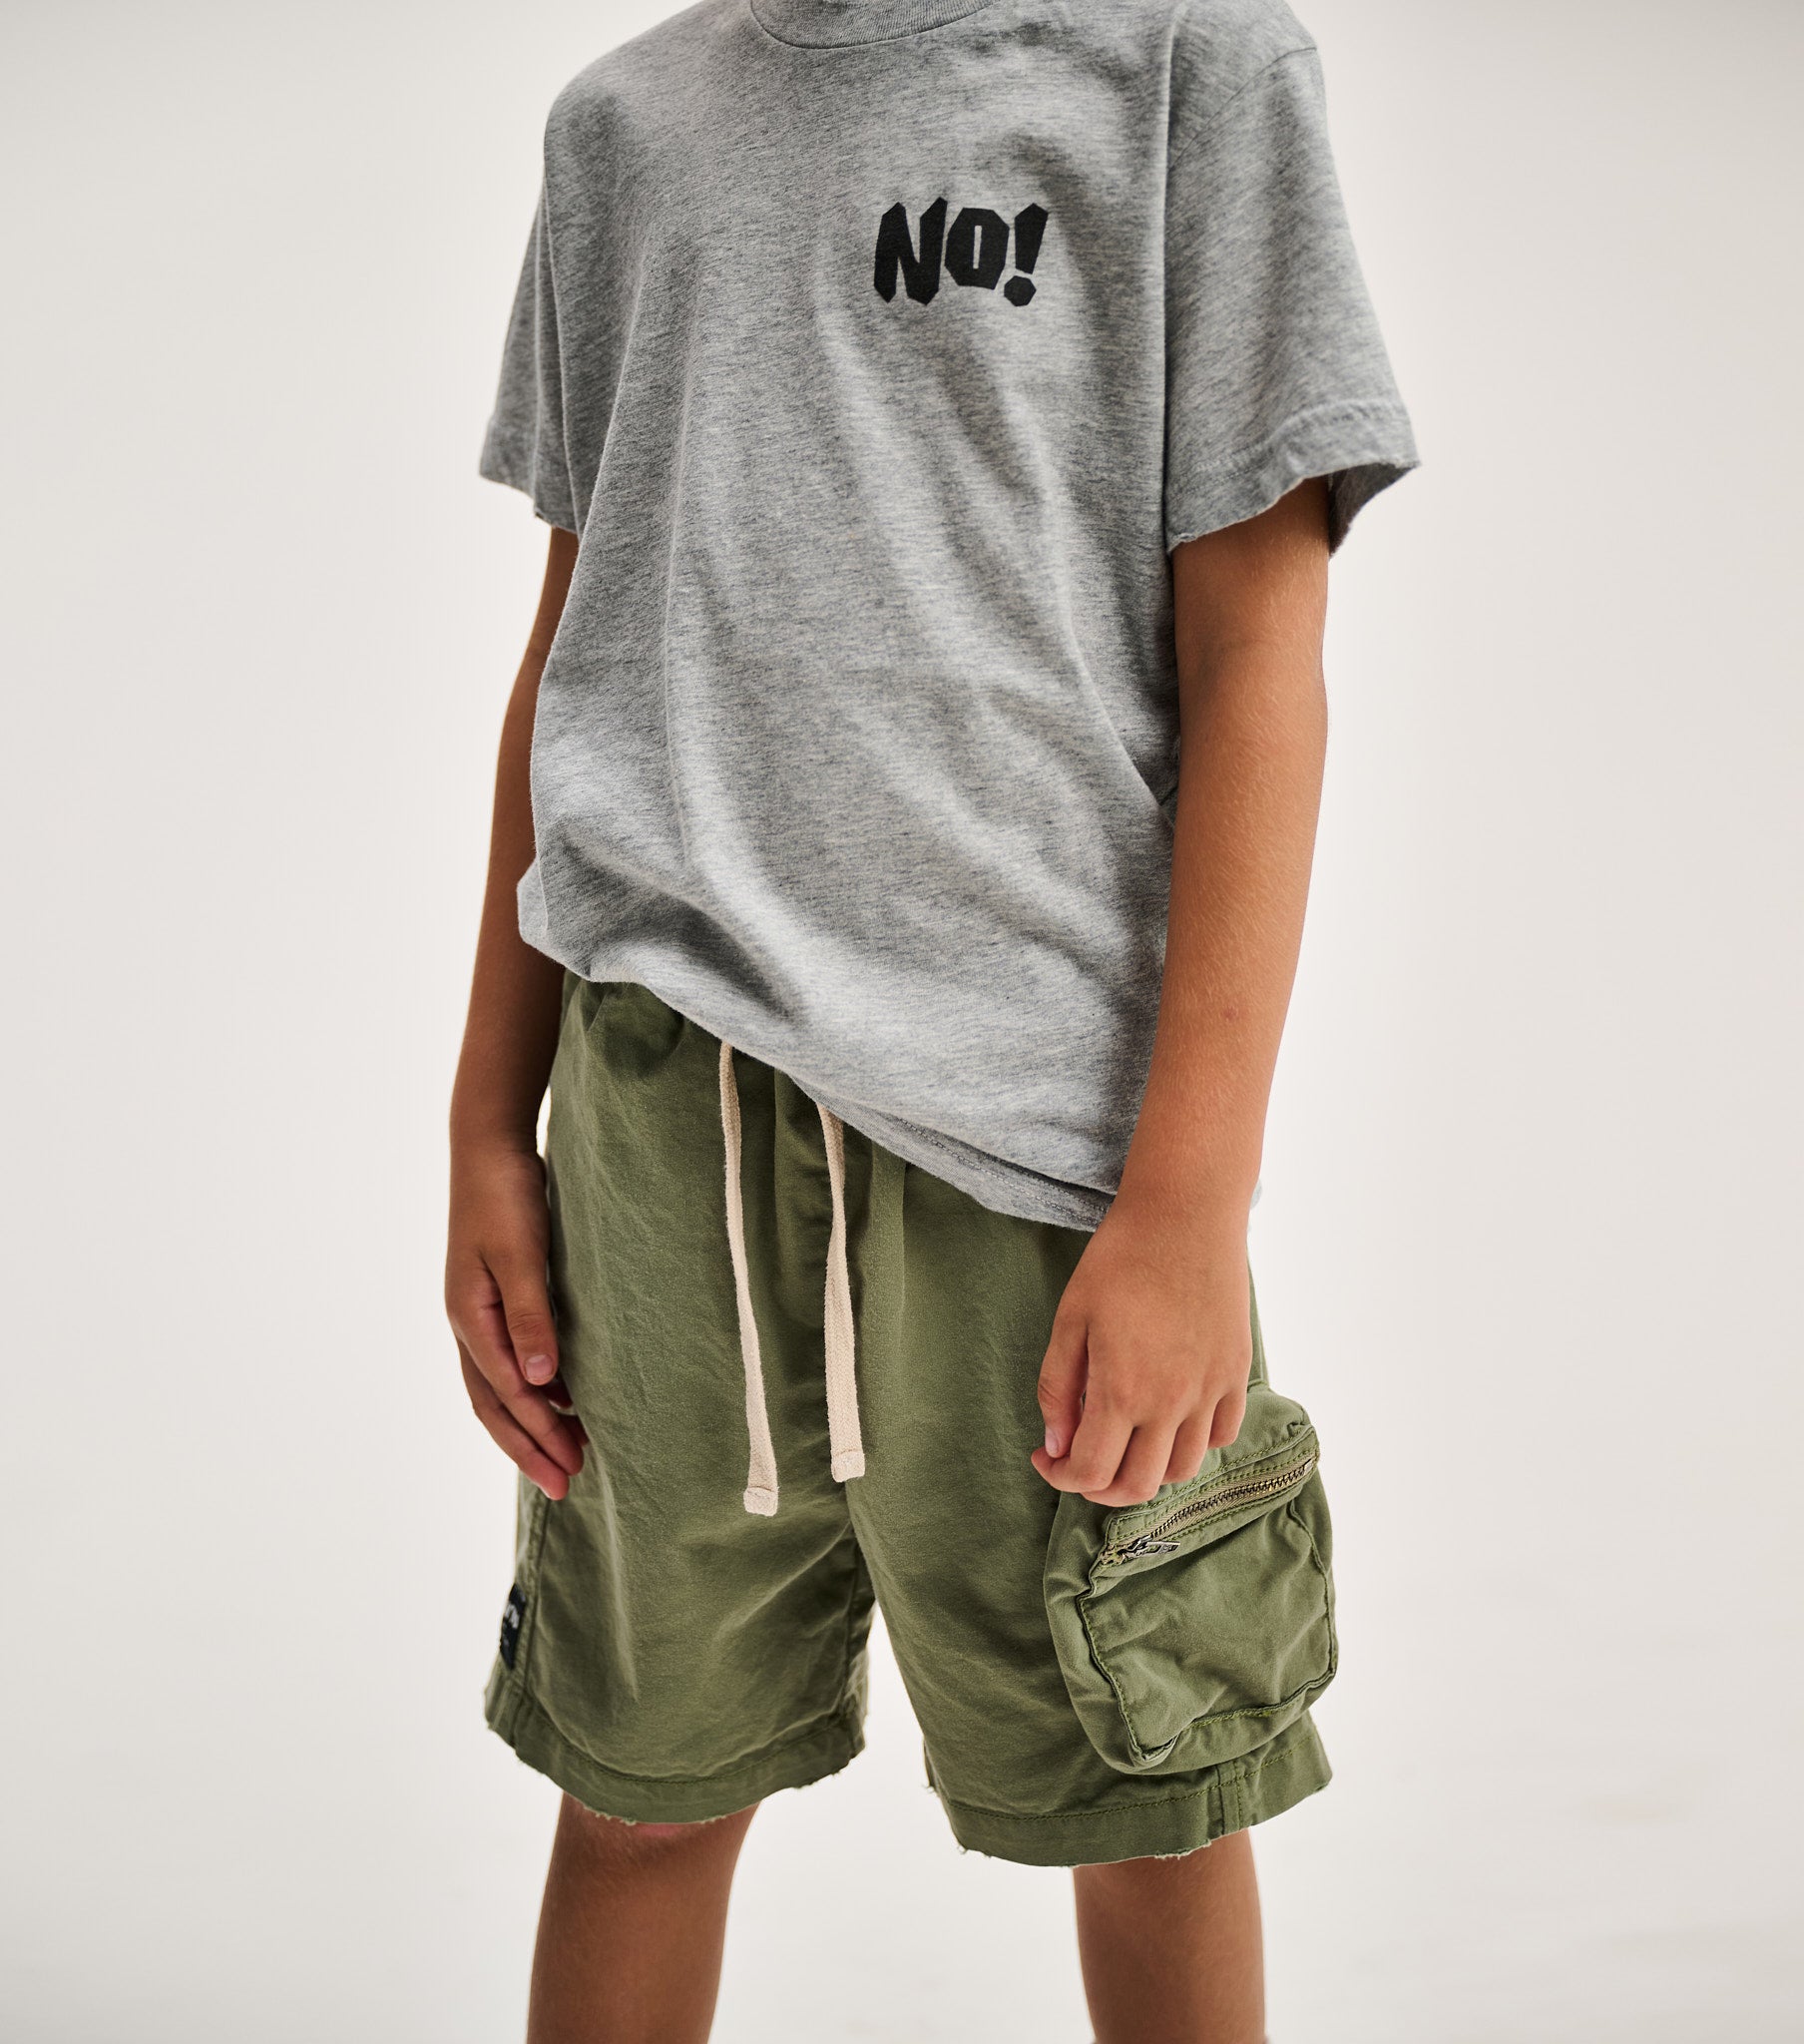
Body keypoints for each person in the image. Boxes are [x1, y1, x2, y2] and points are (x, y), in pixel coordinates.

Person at [445, 0, 1415, 2036]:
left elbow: (1260, 646)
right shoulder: (621, 126)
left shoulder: (1187, 71)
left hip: (1036, 1155)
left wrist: (1189, 1207)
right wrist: (483, 1127)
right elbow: (569, 644)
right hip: (654, 1131)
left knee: (1153, 1800)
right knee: (633, 1794)